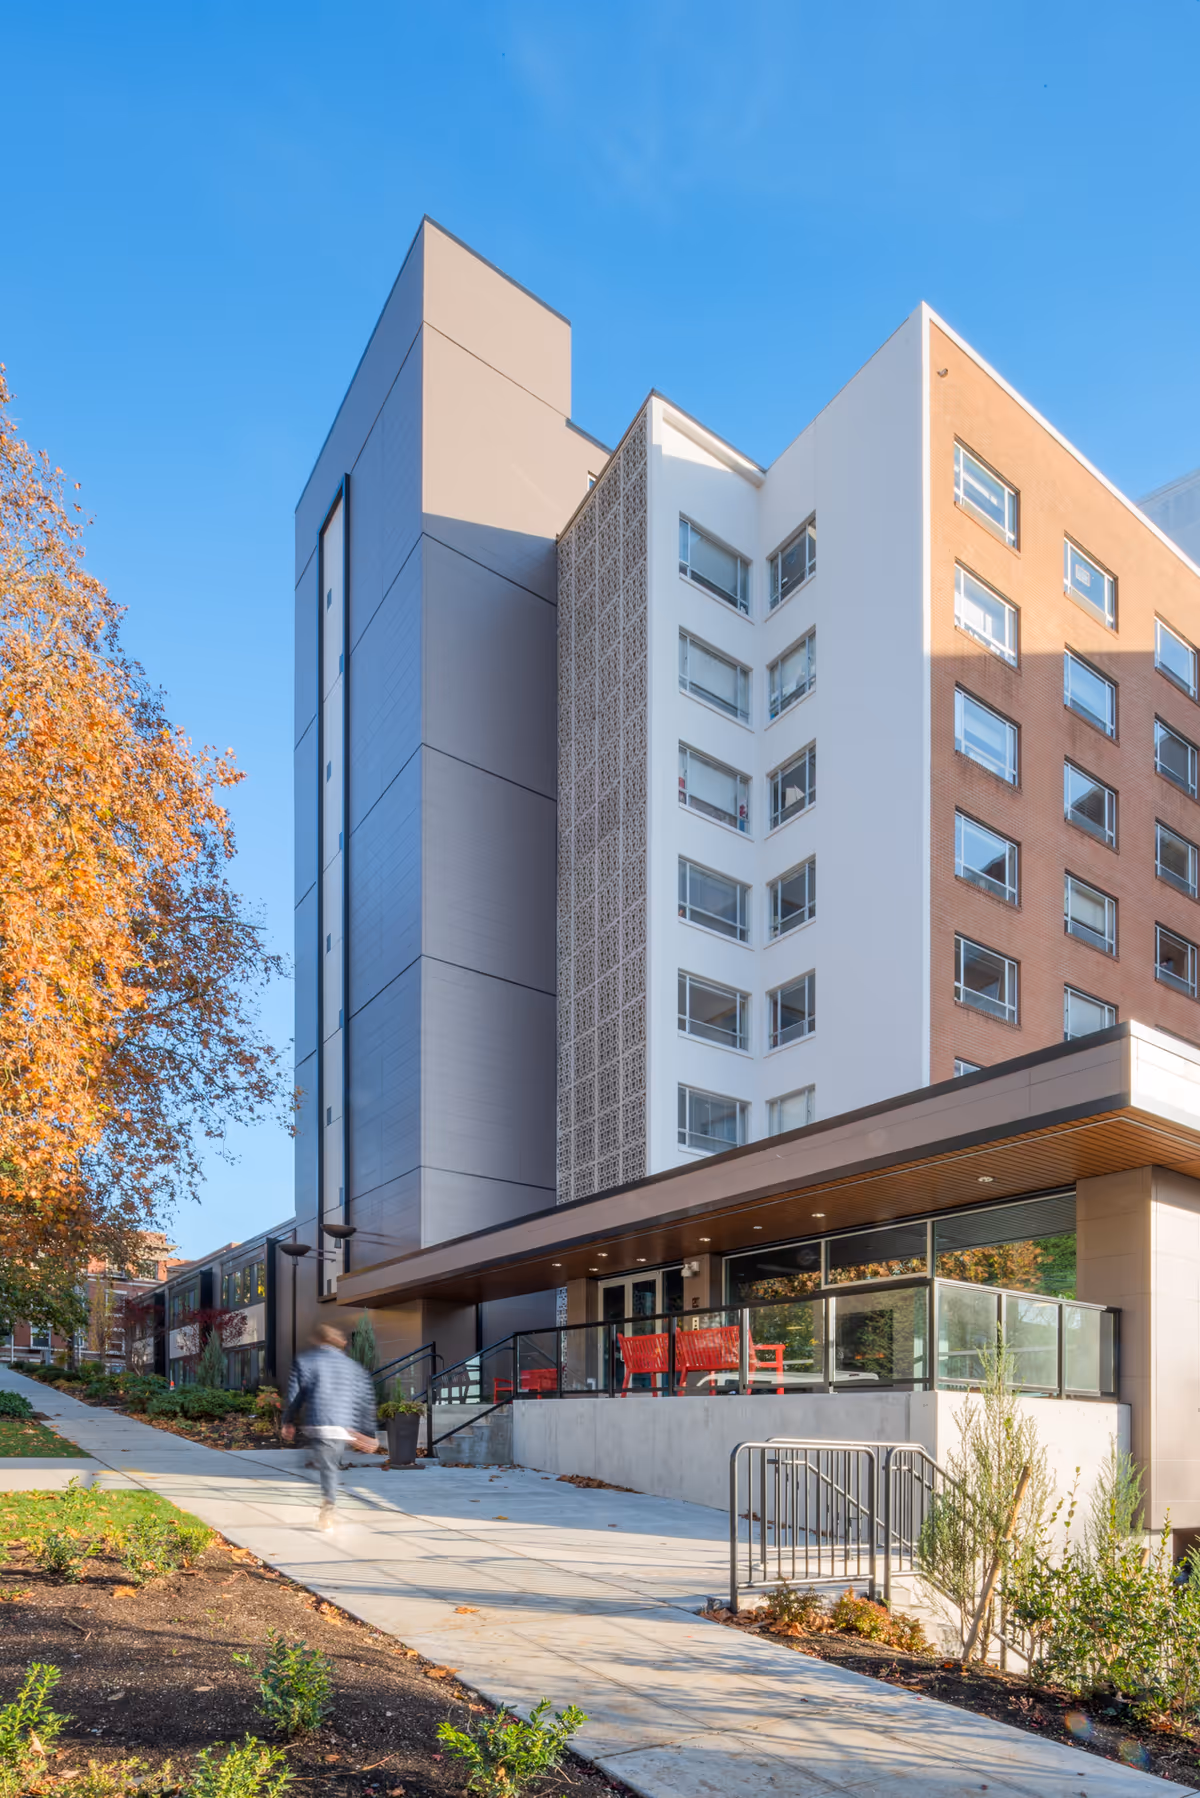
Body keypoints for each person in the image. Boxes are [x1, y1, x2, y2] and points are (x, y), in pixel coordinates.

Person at [281, 1323, 378, 1530]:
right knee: (330, 1464)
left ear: (317, 1340)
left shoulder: (305, 1360)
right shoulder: (353, 1366)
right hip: (342, 1426)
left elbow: (295, 1394)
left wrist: (288, 1420)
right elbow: (365, 1400)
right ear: (340, 1343)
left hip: (318, 1423)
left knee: (327, 1466)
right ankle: (328, 1499)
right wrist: (369, 1432)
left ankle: (328, 1507)